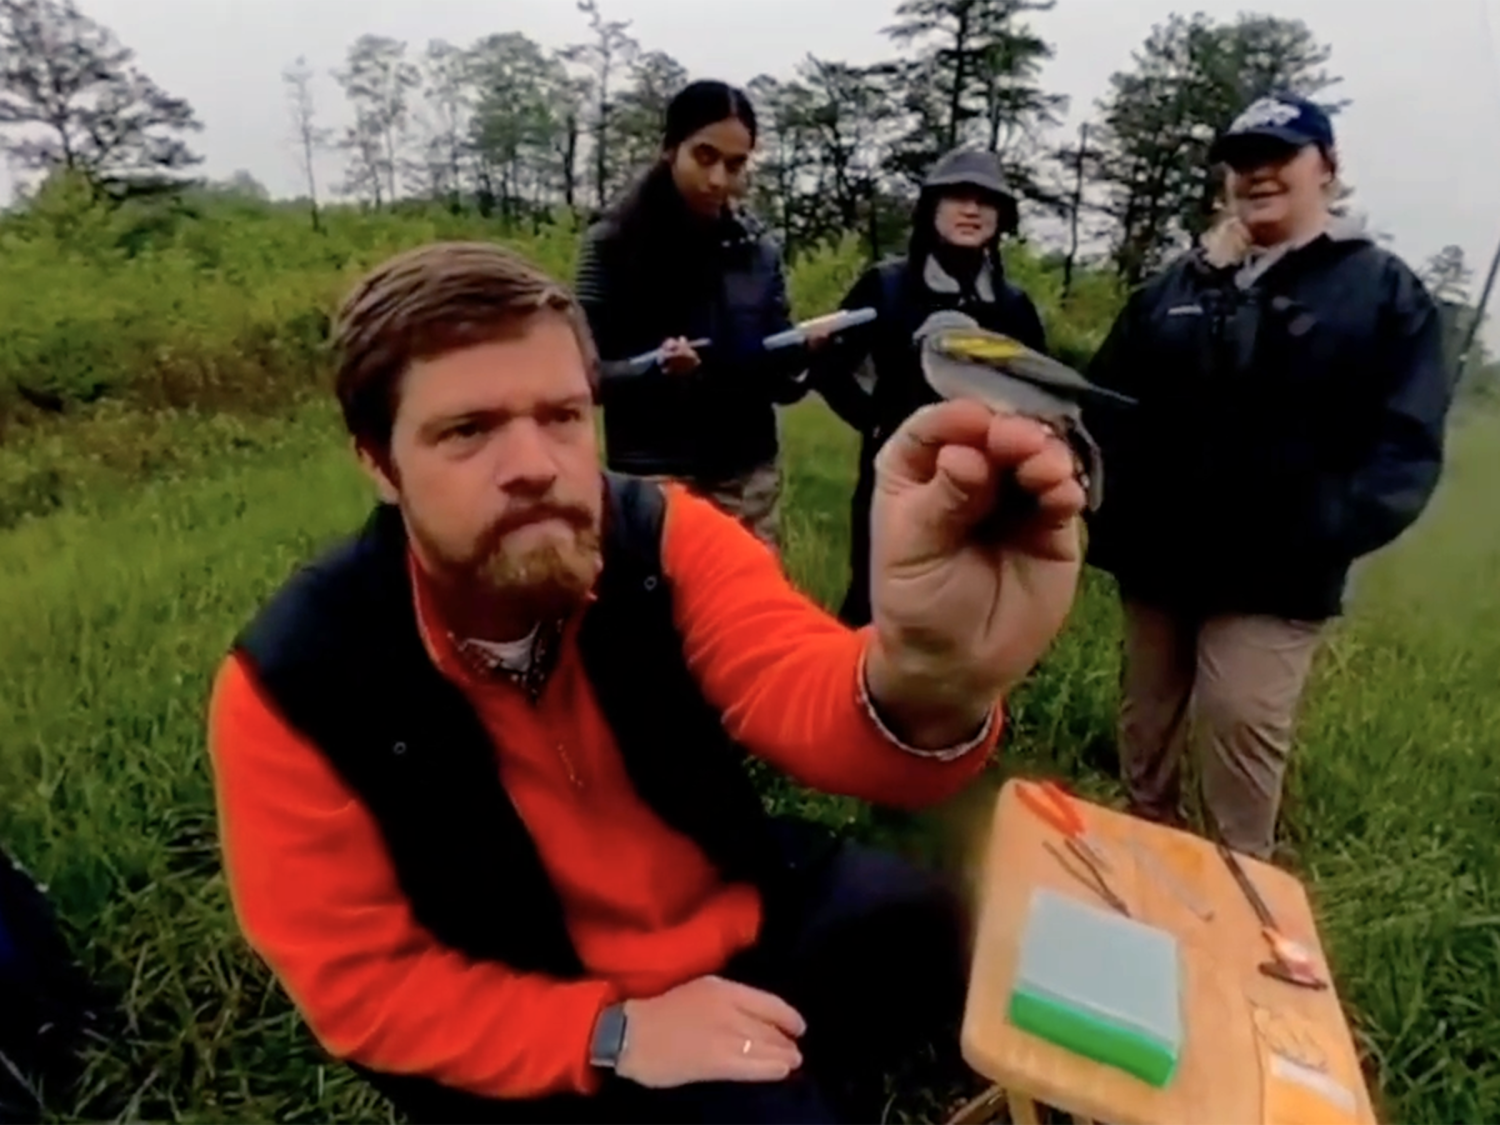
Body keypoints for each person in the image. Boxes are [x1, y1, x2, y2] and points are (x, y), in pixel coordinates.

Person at [205, 241, 1088, 1124]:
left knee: (966, 928)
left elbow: (800, 687)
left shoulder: (661, 539)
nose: (537, 464)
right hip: (542, 1004)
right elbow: (363, 984)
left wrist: (931, 677)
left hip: (737, 907)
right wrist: (612, 1032)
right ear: (377, 461)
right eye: (468, 430)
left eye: (561, 415)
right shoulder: (297, 683)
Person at [1081, 94, 1454, 859]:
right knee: (1147, 719)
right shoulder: (1178, 287)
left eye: (1278, 156)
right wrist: (1107, 504)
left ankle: (1238, 882)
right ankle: (1144, 855)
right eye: (1242, 160)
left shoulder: (1382, 291)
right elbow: (1106, 400)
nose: (1256, 175)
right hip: (1161, 555)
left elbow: (1406, 442)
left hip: (1277, 569)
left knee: (1240, 716)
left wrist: (1323, 529)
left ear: (1328, 167)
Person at [573, 79, 830, 555]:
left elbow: (778, 382)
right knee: (656, 621)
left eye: (735, 165)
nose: (718, 180)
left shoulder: (758, 251)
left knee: (749, 617)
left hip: (747, 476)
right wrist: (656, 368)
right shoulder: (612, 244)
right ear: (670, 149)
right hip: (656, 476)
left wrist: (806, 351)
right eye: (705, 157)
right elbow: (586, 376)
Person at [807, 147, 1048, 626]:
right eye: (959, 197)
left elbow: (1034, 393)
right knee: (878, 606)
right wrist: (875, 422)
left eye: (986, 200)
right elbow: (830, 365)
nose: (972, 209)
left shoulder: (1012, 304)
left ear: (1002, 217)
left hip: (984, 480)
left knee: (969, 610)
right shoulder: (886, 285)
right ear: (931, 207)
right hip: (898, 473)